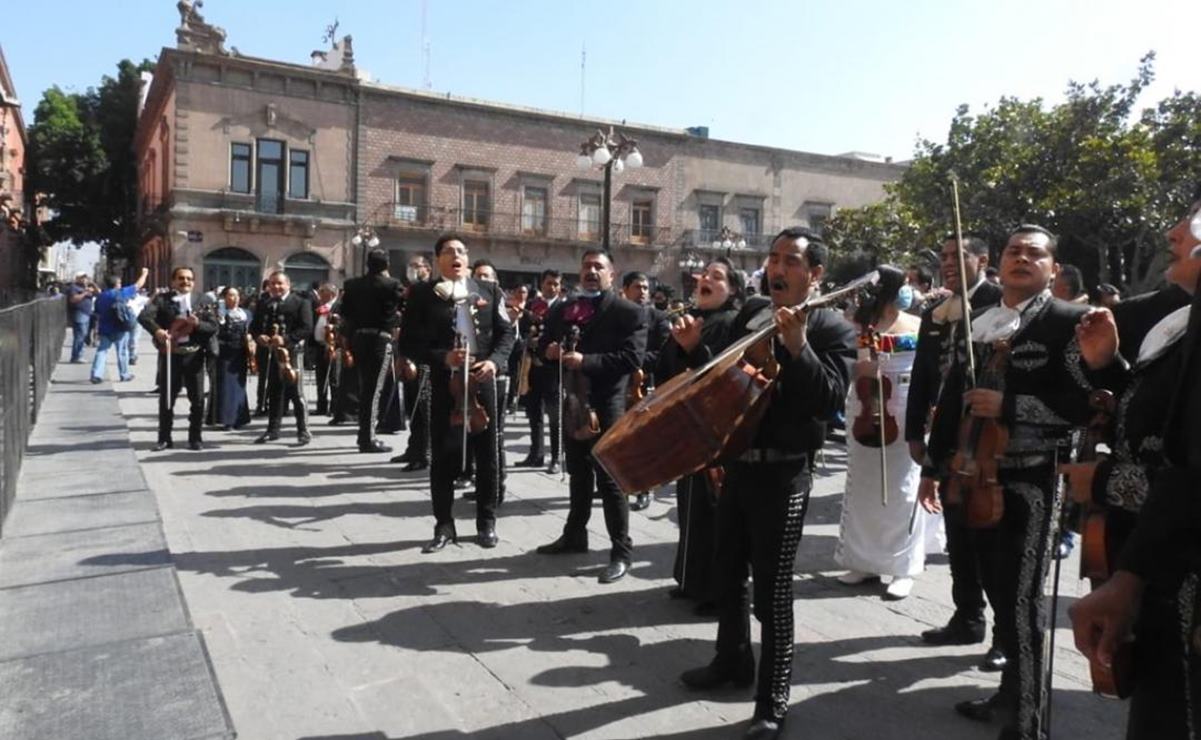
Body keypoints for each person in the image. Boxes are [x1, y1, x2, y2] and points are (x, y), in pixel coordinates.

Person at [918, 225, 1125, 740]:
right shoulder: (979, 322)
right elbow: (953, 398)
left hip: (1031, 480)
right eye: (1014, 251)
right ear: (999, 262)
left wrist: (1010, 406)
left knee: (1025, 603)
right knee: (995, 593)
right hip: (970, 477)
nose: (1021, 259)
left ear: (1053, 269)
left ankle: (1029, 721)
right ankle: (1009, 692)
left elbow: (1089, 406)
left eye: (1035, 254)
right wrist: (934, 466)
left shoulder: (1070, 321)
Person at [679, 227, 857, 739]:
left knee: (773, 592)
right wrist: (693, 351)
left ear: (815, 274)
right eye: (774, 258)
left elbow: (826, 400)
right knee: (726, 572)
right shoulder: (751, 313)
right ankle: (730, 660)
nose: (777, 268)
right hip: (737, 463)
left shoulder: (832, 328)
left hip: (784, 471)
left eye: (792, 261)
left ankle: (772, 696)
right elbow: (721, 383)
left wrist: (799, 344)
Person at [1067, 196, 1201, 740]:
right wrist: (1111, 367)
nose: (1173, 232)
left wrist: (1102, 482)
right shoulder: (1178, 325)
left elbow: (1189, 468)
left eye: (1190, 221)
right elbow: (1165, 428)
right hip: (1160, 572)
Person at [909, 234, 1005, 668]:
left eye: (957, 256)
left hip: (987, 436)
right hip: (949, 434)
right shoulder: (934, 312)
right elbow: (926, 374)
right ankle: (967, 616)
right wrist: (914, 432)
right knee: (958, 534)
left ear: (981, 260)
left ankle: (1006, 633)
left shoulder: (1001, 303)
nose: (947, 263)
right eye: (943, 256)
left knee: (994, 541)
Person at [535, 250, 647, 584]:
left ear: (612, 274)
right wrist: (550, 351)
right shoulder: (564, 308)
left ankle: (620, 550)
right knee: (578, 474)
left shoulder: (629, 311)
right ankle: (575, 534)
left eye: (599, 267)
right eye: (586, 266)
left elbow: (631, 358)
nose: (591, 271)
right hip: (573, 401)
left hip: (607, 405)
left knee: (610, 482)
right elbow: (543, 344)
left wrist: (586, 361)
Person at [400, 235, 515, 552]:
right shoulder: (423, 294)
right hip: (445, 384)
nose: (457, 256)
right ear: (437, 259)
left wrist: (494, 362)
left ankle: (487, 522)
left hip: (482, 384)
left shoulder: (489, 290)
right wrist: (442, 357)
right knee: (443, 457)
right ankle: (444, 525)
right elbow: (408, 343)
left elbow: (507, 334)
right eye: (449, 251)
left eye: (461, 251)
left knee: (488, 455)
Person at [834, 265, 934, 600]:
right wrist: (866, 362)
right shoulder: (861, 324)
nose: (907, 288)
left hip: (905, 404)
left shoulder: (920, 323)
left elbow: (929, 370)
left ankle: (904, 566)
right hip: (866, 402)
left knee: (904, 488)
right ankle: (863, 559)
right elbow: (853, 364)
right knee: (862, 484)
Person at [658, 257, 745, 610]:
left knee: (715, 512)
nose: (704, 279)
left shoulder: (733, 323)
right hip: (687, 427)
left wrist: (694, 348)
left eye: (717, 277)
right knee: (691, 506)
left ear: (733, 289)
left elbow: (722, 374)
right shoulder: (692, 318)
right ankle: (691, 579)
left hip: (716, 430)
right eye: (704, 275)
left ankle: (718, 590)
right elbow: (666, 368)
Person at [138, 266, 218, 451]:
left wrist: (198, 324)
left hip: (194, 355)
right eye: (181, 278)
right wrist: (157, 330)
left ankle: (195, 438)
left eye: (189, 279)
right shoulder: (162, 299)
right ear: (173, 281)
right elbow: (144, 317)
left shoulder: (203, 300)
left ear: (194, 282)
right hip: (170, 355)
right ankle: (164, 438)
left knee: (197, 400)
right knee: (167, 399)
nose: (185, 282)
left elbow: (213, 327)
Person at [338, 249, 404, 454]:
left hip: (358, 338)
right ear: (386, 265)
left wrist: (346, 343)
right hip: (380, 339)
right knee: (374, 391)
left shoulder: (352, 285)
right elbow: (399, 312)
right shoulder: (392, 285)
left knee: (364, 386)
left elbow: (345, 315)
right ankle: (367, 438)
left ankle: (364, 435)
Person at [622, 271, 671, 512]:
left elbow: (663, 351)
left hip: (645, 382)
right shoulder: (616, 316)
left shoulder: (659, 317)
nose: (642, 292)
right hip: (619, 383)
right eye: (636, 287)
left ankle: (644, 488)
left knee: (644, 439)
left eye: (644, 288)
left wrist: (634, 361)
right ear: (625, 290)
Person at [252, 271, 314, 446]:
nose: (276, 287)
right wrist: (259, 337)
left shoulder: (301, 302)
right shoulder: (264, 303)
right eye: (272, 284)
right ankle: (273, 430)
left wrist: (286, 339)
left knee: (297, 393)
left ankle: (303, 430)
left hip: (292, 354)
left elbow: (306, 327)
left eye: (279, 283)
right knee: (274, 392)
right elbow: (254, 327)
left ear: (288, 285)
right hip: (271, 354)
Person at [516, 269, 564, 473]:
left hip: (553, 369)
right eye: (548, 283)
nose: (552, 287)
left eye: (556, 284)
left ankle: (556, 458)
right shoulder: (531, 306)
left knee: (555, 416)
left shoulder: (564, 308)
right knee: (533, 412)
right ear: (542, 285)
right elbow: (521, 330)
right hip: (533, 366)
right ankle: (536, 454)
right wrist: (527, 340)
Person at [392, 255, 434, 470]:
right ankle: (413, 447)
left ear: (427, 268)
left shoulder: (431, 290)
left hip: (424, 355)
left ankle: (425, 452)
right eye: (410, 266)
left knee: (423, 404)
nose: (412, 269)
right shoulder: (407, 291)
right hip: (408, 352)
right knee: (411, 404)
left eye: (416, 266)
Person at [90, 267, 150, 383]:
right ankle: (124, 374)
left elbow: (97, 313)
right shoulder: (121, 293)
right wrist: (144, 273)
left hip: (105, 328)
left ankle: (96, 374)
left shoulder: (101, 297)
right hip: (120, 327)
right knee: (122, 351)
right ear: (117, 284)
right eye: (120, 282)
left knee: (102, 351)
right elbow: (138, 285)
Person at [214, 287, 251, 429]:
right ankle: (227, 419)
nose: (234, 298)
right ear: (224, 297)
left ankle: (240, 418)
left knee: (239, 386)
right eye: (230, 295)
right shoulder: (220, 313)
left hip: (240, 353)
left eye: (236, 295)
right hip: (224, 353)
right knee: (226, 386)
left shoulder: (245, 313)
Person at [312, 282, 339, 417]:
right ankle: (321, 406)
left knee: (333, 377)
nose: (320, 294)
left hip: (332, 346)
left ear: (331, 294)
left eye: (323, 291)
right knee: (320, 377)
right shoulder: (320, 307)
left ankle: (335, 407)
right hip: (320, 345)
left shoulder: (338, 306)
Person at [67, 273, 98, 363]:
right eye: (82, 278)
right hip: (80, 313)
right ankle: (76, 356)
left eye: (85, 278)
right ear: (78, 279)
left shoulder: (87, 286)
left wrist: (93, 284)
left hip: (87, 313)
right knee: (80, 335)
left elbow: (99, 292)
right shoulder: (74, 287)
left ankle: (77, 355)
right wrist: (85, 293)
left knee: (83, 335)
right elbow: (73, 299)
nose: (85, 279)